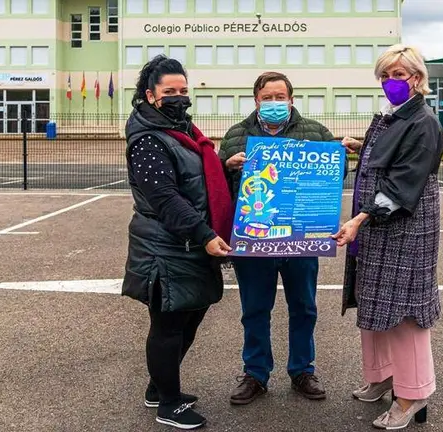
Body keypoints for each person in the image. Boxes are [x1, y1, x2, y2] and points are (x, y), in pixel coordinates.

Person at [333, 44, 443, 430]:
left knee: (405, 315)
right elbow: (390, 155)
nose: (391, 82)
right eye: (385, 75)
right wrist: (361, 147)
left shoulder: (424, 121)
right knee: (375, 304)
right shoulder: (393, 116)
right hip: (377, 230)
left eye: (399, 74)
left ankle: (412, 394)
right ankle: (382, 375)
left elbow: (403, 183)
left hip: (403, 228)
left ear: (417, 78)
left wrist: (360, 219)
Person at [121, 55, 233, 430]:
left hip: (188, 245)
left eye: (184, 91)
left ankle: (159, 387)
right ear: (150, 95)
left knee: (191, 318)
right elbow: (166, 198)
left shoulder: (181, 129)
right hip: (166, 247)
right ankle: (169, 404)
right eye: (170, 92)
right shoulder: (148, 140)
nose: (179, 97)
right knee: (168, 326)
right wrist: (205, 235)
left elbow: (194, 177)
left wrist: (223, 166)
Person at [218, 71, 337, 405]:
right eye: (267, 97)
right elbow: (217, 187)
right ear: (256, 100)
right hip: (254, 241)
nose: (274, 103)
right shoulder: (236, 135)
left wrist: (339, 156)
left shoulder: (315, 132)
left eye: (279, 97)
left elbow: (333, 174)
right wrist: (228, 166)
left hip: (301, 240)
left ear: (291, 99)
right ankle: (255, 373)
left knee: (304, 308)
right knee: (255, 310)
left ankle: (302, 370)